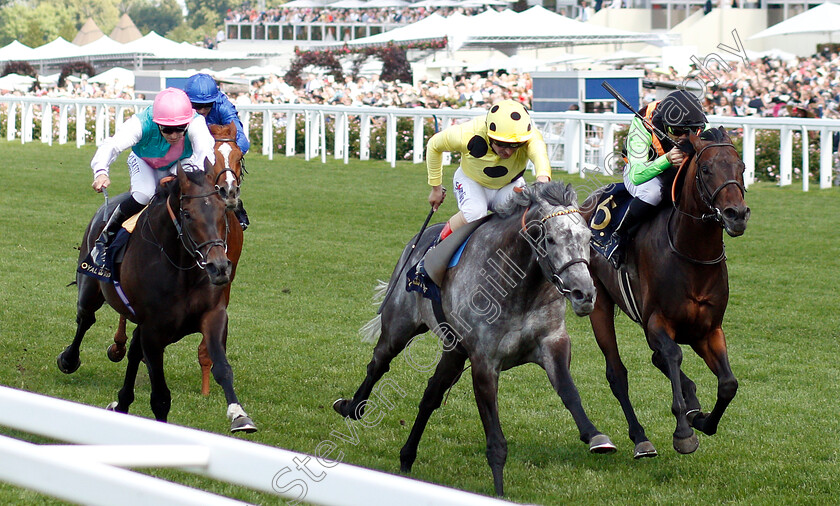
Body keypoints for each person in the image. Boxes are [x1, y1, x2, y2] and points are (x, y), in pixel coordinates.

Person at [86, 87, 216, 272]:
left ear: (187, 122)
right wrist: (100, 171)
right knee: (144, 195)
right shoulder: (140, 124)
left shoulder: (197, 123)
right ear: (157, 124)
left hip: (180, 162)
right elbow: (112, 145)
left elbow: (205, 155)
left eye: (180, 129)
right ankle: (105, 238)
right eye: (167, 130)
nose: (174, 136)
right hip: (144, 161)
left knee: (189, 194)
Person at [605, 89, 708, 268]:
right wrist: (666, 160)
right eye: (677, 131)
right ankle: (619, 237)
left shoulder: (696, 120)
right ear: (665, 124)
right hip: (642, 168)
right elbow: (636, 175)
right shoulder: (642, 123)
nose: (685, 136)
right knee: (652, 192)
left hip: (677, 169)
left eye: (690, 131)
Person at [426, 99, 551, 244]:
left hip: (508, 185)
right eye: (502, 144)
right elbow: (434, 145)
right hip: (471, 181)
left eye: (516, 145)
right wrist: (436, 188)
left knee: (525, 214)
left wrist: (543, 182)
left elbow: (540, 158)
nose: (508, 151)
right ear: (489, 135)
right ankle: (437, 245)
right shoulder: (467, 133)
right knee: (474, 213)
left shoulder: (530, 136)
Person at [184, 73, 251, 230]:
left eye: (207, 106)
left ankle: (232, 200)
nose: (202, 110)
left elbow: (242, 141)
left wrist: (225, 154)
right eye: (197, 106)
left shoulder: (222, 105)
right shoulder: (180, 106)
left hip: (214, 153)